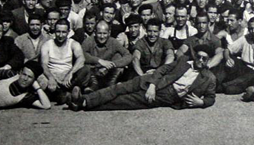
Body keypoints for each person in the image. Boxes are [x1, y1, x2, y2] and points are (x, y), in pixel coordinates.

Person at [68, 44, 217, 111]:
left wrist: (201, 102)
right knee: (118, 88)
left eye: (205, 59)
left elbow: (211, 97)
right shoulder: (183, 61)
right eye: (199, 57)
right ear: (195, 56)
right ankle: (83, 100)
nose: (201, 61)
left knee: (124, 101)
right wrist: (152, 85)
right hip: (153, 81)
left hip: (166, 96)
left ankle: (83, 103)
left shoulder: (209, 78)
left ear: (208, 60)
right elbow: (162, 70)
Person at [39, 19, 91, 104]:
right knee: (41, 78)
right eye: (58, 32)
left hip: (69, 79)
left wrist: (70, 74)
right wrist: (51, 78)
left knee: (86, 69)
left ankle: (65, 94)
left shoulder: (73, 43)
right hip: (53, 77)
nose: (60, 35)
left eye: (63, 32)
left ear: (68, 32)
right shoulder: (47, 45)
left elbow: (81, 59)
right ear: (54, 31)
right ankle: (65, 95)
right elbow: (44, 64)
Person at [81, 21, 132, 91]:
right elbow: (81, 55)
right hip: (93, 72)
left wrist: (112, 64)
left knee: (118, 56)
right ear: (95, 32)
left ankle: (110, 86)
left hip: (108, 73)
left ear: (109, 33)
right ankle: (93, 86)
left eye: (104, 33)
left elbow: (128, 56)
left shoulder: (113, 42)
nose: (102, 37)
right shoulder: (89, 41)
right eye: (99, 33)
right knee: (84, 66)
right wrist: (100, 61)